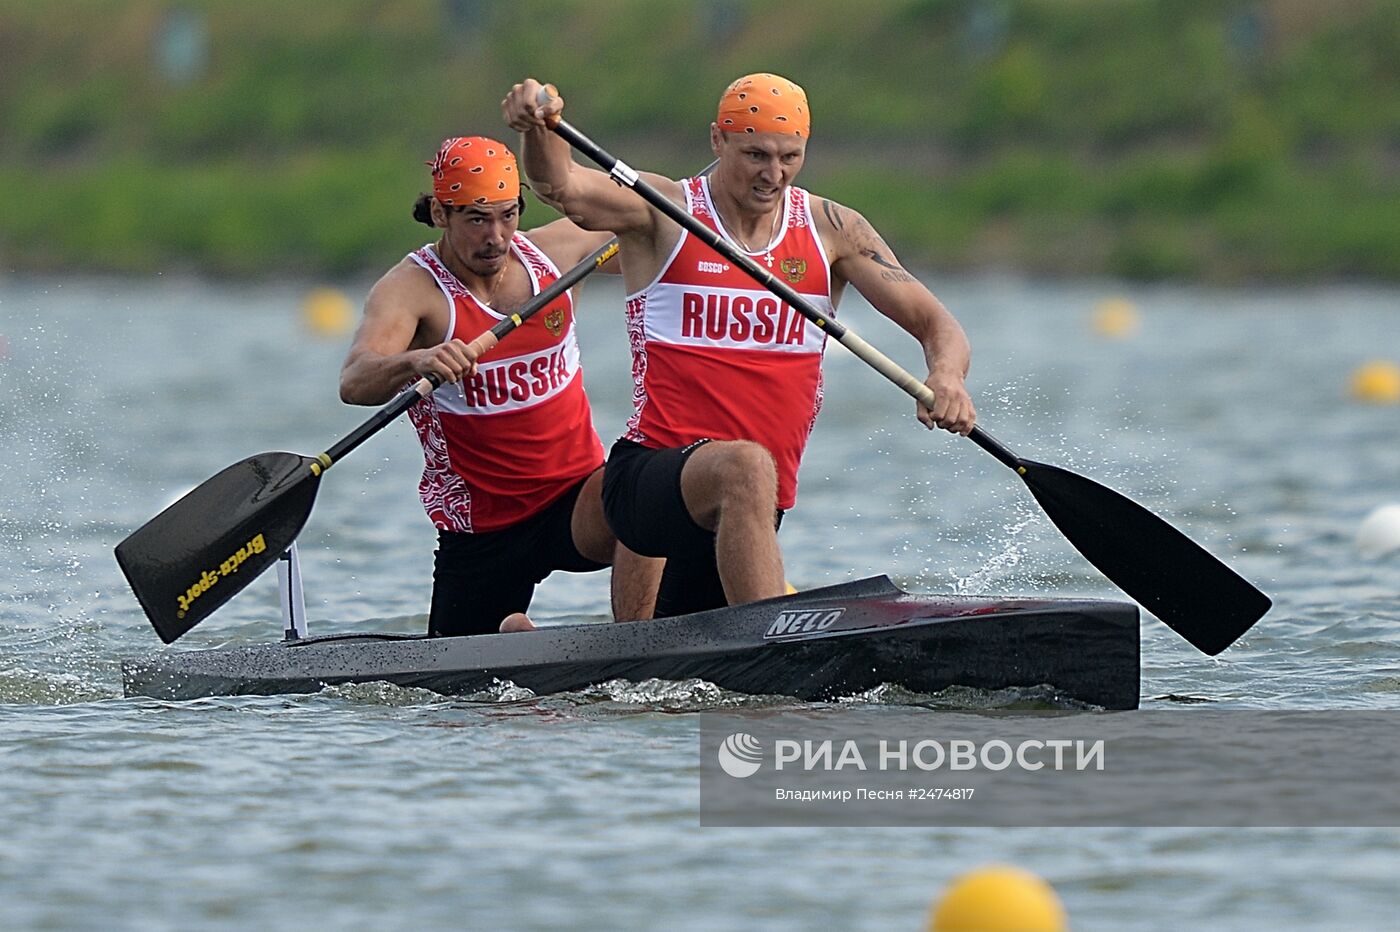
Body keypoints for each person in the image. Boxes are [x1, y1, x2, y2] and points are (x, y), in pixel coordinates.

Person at [502, 73, 977, 618]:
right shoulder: (662, 212)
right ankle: (779, 650)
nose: (771, 174)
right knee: (746, 466)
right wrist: (538, 131)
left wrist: (946, 375)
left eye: (789, 157)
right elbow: (561, 185)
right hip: (650, 481)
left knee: (675, 658)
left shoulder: (833, 230)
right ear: (716, 141)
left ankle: (542, 649)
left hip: (745, 511)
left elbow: (936, 322)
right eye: (754, 154)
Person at [339, 135, 661, 636]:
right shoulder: (411, 290)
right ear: (441, 214)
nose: (496, 236)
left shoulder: (558, 256)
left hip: (575, 498)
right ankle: (517, 640)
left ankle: (642, 643)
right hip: (483, 527)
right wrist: (418, 359)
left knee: (646, 494)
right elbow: (356, 380)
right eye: (476, 219)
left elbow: (659, 230)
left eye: (508, 216)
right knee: (462, 704)